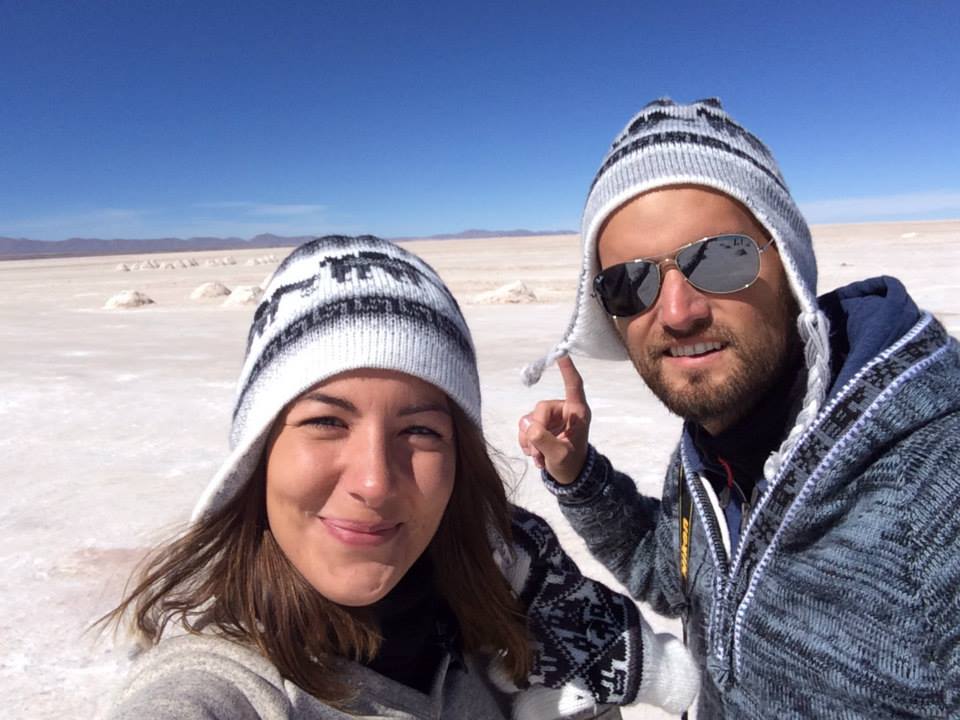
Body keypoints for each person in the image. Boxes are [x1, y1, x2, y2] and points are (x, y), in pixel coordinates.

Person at [100, 235, 699, 720]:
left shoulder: (516, 595)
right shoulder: (225, 684)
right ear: (257, 453)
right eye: (326, 421)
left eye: (420, 431)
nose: (375, 483)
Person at [518, 98, 960, 718]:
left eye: (720, 258)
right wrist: (580, 478)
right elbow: (670, 577)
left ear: (789, 261)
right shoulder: (712, 446)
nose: (676, 312)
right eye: (630, 282)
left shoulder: (936, 487)